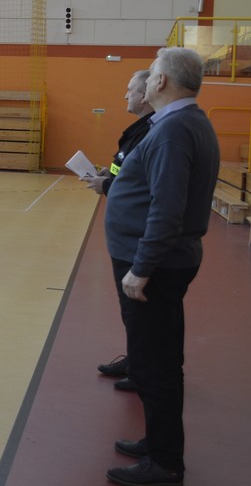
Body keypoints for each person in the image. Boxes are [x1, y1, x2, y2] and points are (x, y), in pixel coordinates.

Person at [103, 47, 218, 486]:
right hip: (163, 260)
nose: (147, 80)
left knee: (154, 364)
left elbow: (167, 209)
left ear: (162, 81)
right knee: (161, 357)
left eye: (150, 74)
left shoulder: (173, 130)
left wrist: (142, 266)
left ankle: (165, 461)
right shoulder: (184, 122)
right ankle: (158, 442)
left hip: (153, 264)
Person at [83, 70, 154, 393]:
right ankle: (137, 360)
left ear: (146, 95)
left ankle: (144, 370)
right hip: (123, 236)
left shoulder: (152, 132)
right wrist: (107, 176)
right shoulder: (137, 130)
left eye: (130, 90)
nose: (125, 95)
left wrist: (108, 185)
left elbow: (143, 184)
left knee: (139, 311)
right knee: (130, 310)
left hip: (136, 237)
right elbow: (124, 169)